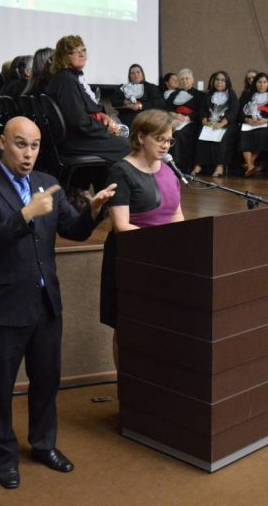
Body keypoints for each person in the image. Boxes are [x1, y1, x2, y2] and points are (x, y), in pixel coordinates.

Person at [0, 116, 117, 490]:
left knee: (47, 383)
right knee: (0, 389)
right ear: (2, 143)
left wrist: (93, 210)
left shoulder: (47, 183)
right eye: (20, 144)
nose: (28, 153)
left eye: (34, 146)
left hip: (47, 304)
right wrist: (25, 215)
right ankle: (3, 458)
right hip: (5, 307)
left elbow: (73, 231)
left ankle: (43, 445)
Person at [99, 109, 184, 364]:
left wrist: (183, 244)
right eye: (159, 139)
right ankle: (127, 382)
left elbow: (176, 213)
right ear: (140, 137)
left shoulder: (169, 170)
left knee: (161, 323)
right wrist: (162, 241)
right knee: (127, 326)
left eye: (169, 140)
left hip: (165, 258)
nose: (165, 145)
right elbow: (121, 226)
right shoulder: (121, 171)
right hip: (131, 259)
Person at [44, 35, 128, 165]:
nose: (82, 54)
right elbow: (79, 121)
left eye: (83, 50)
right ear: (63, 56)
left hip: (77, 138)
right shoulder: (67, 80)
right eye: (74, 52)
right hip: (77, 140)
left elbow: (81, 112)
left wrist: (102, 116)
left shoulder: (67, 77)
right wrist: (105, 128)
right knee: (132, 147)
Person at [192, 70, 239, 177]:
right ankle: (199, 165)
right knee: (201, 135)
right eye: (217, 80)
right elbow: (203, 109)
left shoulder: (231, 94)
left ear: (227, 82)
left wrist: (222, 123)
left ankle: (220, 166)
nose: (219, 82)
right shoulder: (209, 94)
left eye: (222, 80)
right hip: (210, 123)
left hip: (226, 123)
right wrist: (204, 119)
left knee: (221, 137)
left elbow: (234, 111)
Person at [237, 72, 268, 177]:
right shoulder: (247, 95)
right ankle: (250, 166)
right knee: (243, 134)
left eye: (264, 82)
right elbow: (239, 112)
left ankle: (249, 164)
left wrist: (267, 120)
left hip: (265, 123)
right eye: (259, 82)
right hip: (249, 123)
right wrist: (247, 120)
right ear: (255, 83)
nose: (262, 85)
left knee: (262, 134)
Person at [164, 67, 204, 174]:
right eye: (182, 79)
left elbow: (200, 111)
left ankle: (178, 165)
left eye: (187, 78)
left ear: (192, 80)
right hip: (174, 120)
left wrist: (187, 118)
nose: (184, 81)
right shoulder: (174, 94)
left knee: (178, 135)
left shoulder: (199, 95)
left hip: (190, 121)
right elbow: (167, 108)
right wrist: (175, 115)